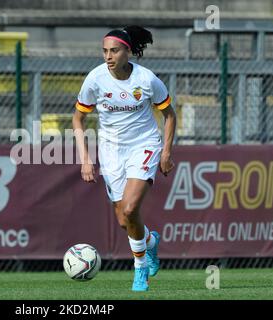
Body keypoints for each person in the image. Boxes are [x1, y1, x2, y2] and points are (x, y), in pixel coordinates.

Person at [72, 26, 176, 292]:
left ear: (127, 52)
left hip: (144, 145)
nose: (108, 56)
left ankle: (140, 268)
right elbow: (78, 118)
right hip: (111, 151)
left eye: (114, 50)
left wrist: (165, 152)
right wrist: (85, 159)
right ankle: (150, 242)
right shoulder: (95, 79)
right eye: (105, 51)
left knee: (130, 209)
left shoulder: (147, 79)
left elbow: (170, 115)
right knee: (124, 220)